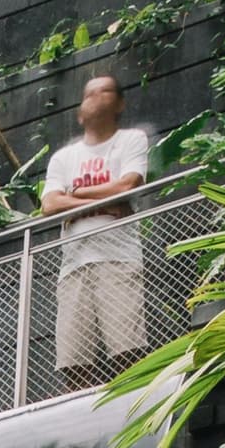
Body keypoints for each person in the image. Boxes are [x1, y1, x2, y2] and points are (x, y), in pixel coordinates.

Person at [44, 67, 154, 379]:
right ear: (79, 113)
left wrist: (74, 195)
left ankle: (133, 416)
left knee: (128, 351)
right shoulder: (64, 158)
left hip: (118, 259)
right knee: (74, 362)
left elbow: (126, 186)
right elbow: (49, 204)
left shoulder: (131, 140)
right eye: (89, 93)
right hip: (74, 265)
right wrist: (102, 202)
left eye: (105, 91)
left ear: (120, 103)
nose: (95, 97)